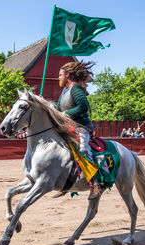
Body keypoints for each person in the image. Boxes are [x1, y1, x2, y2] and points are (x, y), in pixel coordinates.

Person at [52, 60, 100, 200]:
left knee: (83, 150)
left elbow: (83, 106)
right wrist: (47, 104)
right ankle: (64, 185)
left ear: (67, 75)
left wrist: (67, 114)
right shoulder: (65, 90)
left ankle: (95, 184)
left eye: (60, 75)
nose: (58, 77)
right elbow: (59, 107)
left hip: (81, 127)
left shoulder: (76, 88)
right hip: (68, 127)